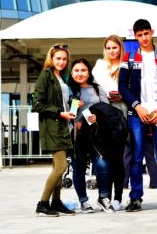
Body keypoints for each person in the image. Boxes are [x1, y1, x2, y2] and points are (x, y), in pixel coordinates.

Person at [118, 19, 157, 212]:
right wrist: (137, 107)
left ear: (152, 32)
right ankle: (135, 198)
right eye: (140, 35)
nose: (144, 37)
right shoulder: (129, 57)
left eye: (146, 33)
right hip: (138, 114)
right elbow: (122, 86)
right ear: (135, 36)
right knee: (136, 158)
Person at [32, 43, 76, 217]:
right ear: (51, 58)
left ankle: (56, 202)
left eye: (64, 59)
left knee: (58, 167)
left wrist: (73, 105)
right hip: (53, 127)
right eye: (58, 58)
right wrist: (59, 113)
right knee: (61, 166)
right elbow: (37, 104)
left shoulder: (62, 77)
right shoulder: (46, 75)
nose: (61, 62)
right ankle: (42, 203)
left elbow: (63, 101)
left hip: (64, 127)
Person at [68, 58, 113, 213]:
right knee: (79, 167)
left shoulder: (97, 88)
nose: (80, 73)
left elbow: (107, 109)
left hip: (97, 134)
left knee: (102, 165)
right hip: (77, 135)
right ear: (71, 73)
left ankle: (103, 197)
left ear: (89, 73)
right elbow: (67, 112)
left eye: (83, 70)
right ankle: (83, 201)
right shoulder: (69, 90)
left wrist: (97, 117)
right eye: (76, 70)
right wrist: (76, 114)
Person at [93, 35, 127, 211]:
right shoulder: (99, 67)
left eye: (115, 47)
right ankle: (104, 196)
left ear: (120, 48)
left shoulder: (126, 65)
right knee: (106, 159)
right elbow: (93, 92)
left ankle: (118, 198)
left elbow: (134, 90)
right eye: (109, 48)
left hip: (121, 116)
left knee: (119, 159)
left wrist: (123, 96)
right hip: (103, 117)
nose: (112, 51)